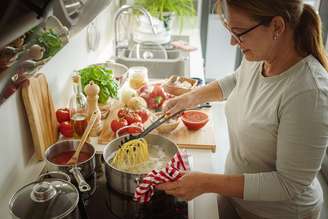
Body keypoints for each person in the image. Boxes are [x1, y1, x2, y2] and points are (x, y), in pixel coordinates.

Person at [156, 0, 328, 218]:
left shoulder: (309, 93)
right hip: (234, 195)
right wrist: (189, 98)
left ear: (277, 26)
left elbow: (288, 183)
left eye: (239, 33)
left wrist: (206, 182)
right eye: (230, 30)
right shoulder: (262, 56)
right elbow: (237, 80)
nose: (231, 41)